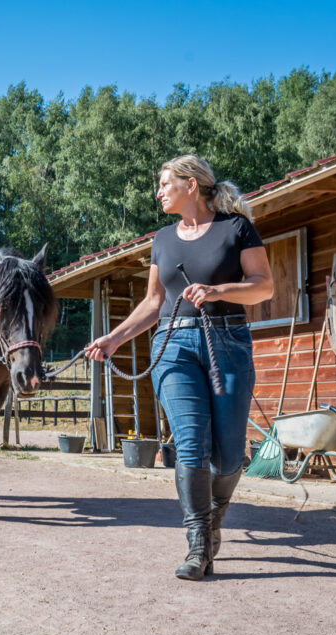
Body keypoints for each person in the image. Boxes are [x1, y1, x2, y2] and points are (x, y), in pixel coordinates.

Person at [85, 155, 274, 581]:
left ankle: (213, 519)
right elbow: (154, 302)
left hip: (227, 340)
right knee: (190, 445)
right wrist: (113, 339)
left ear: (192, 185)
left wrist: (218, 289)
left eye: (165, 183)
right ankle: (198, 546)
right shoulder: (163, 239)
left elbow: (265, 285)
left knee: (227, 457)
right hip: (173, 345)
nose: (159, 192)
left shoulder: (236, 229)